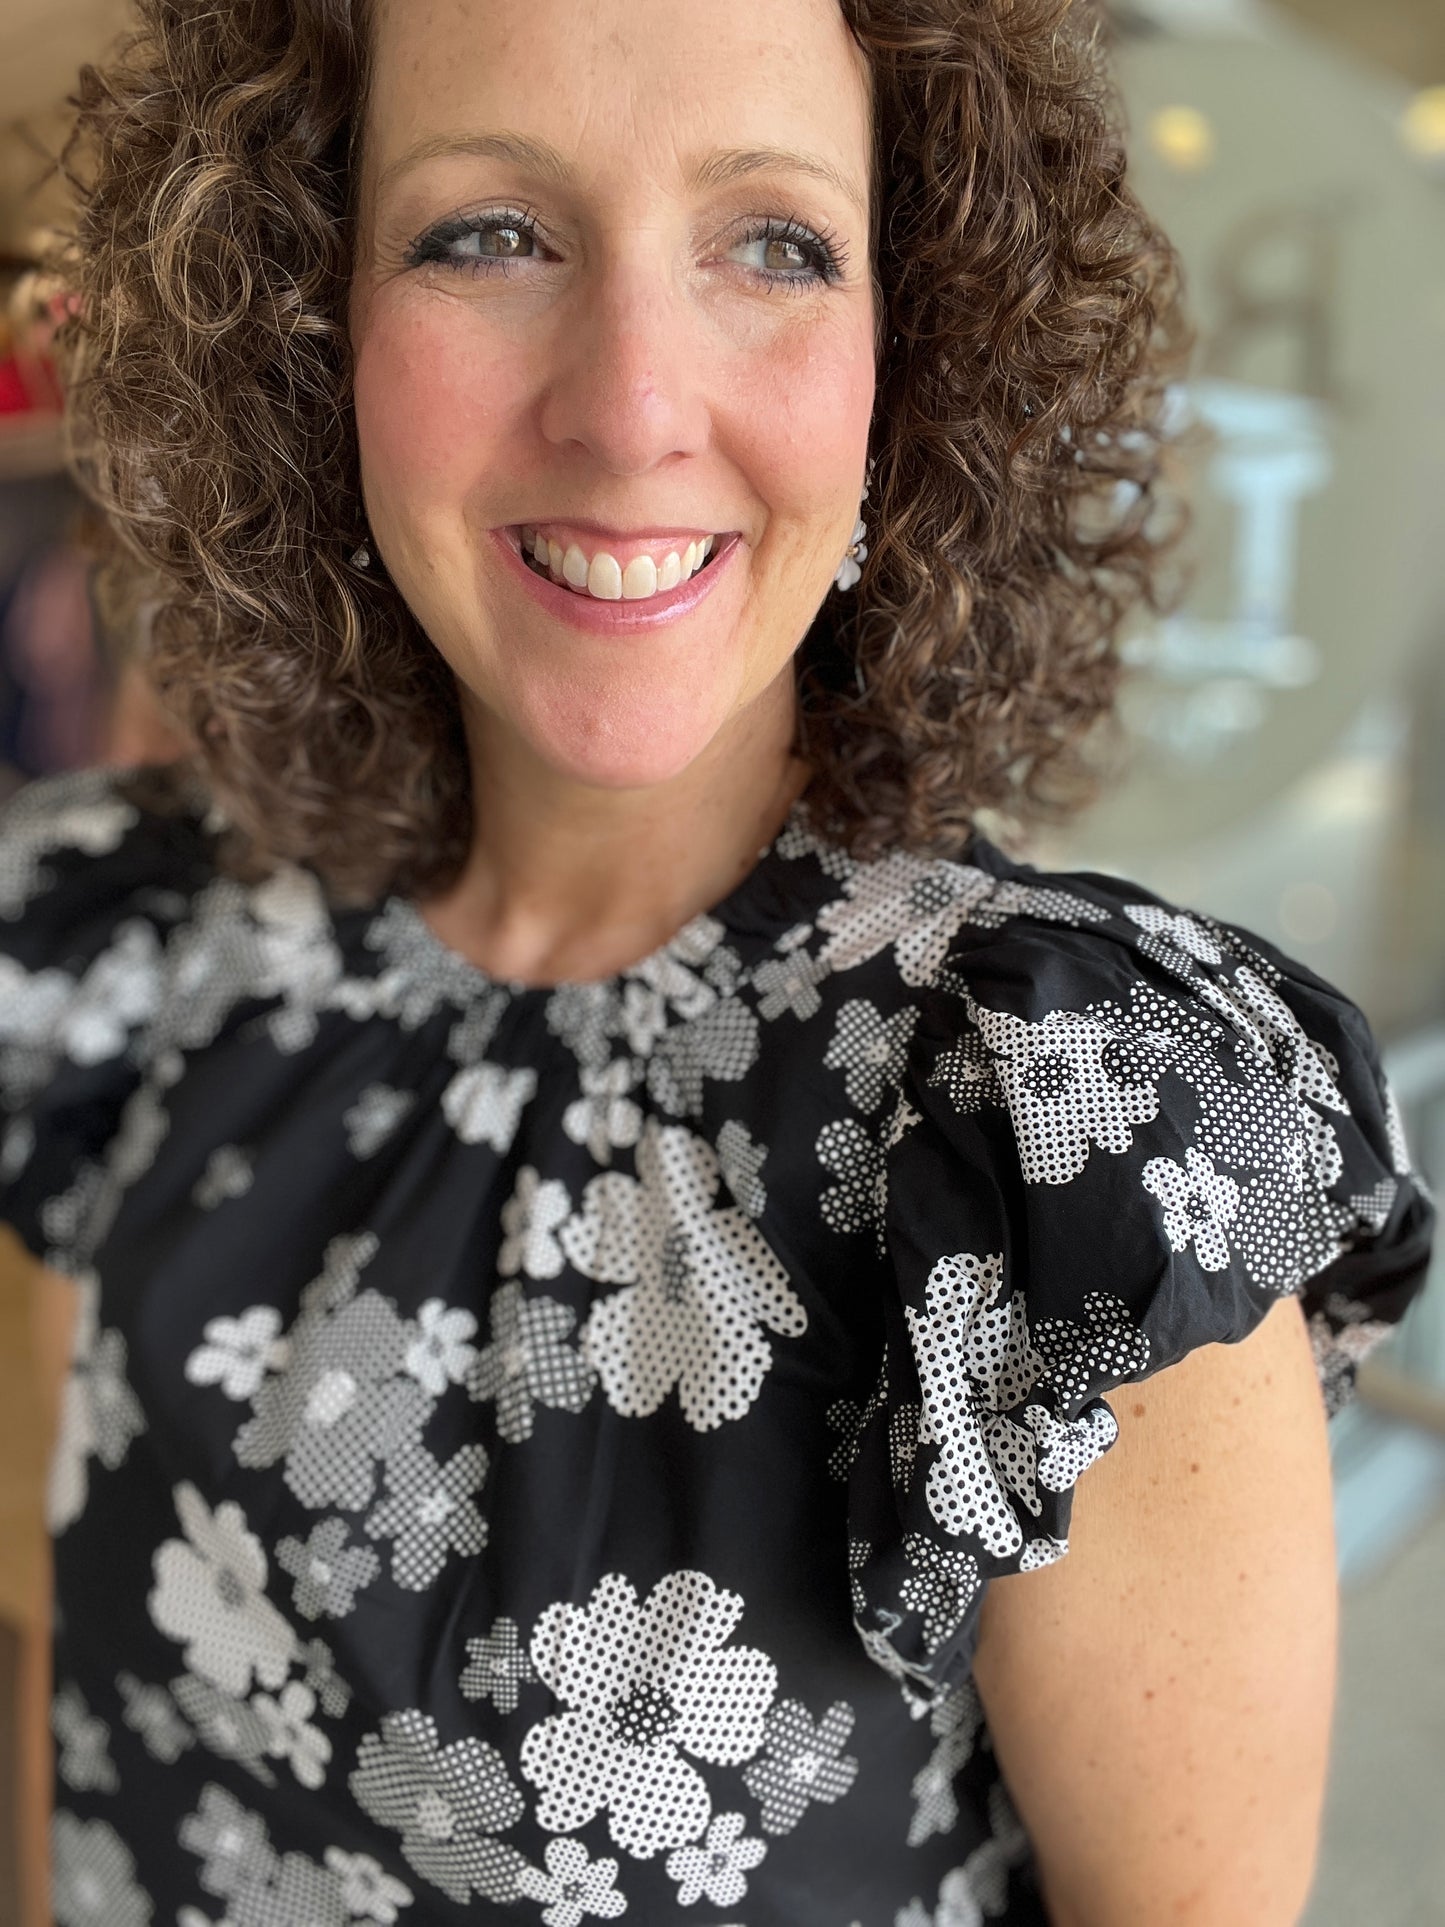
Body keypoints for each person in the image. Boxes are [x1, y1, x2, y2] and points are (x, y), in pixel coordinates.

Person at [2, 0, 1434, 1922]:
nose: (630, 404)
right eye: (485, 233)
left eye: (775, 242)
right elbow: (50, 1696)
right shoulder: (108, 965)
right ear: (306, 321)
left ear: (906, 354)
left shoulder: (1070, 1140)